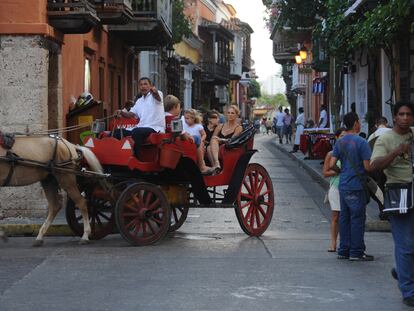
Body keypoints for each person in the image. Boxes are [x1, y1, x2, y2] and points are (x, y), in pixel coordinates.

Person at [370, 101, 414, 307]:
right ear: (394, 117)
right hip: (399, 192)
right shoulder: (385, 138)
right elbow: (374, 165)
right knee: (405, 244)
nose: (405, 118)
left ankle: (401, 270)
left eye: (409, 115)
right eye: (401, 114)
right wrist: (396, 152)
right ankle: (408, 290)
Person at [330, 112, 374, 261]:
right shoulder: (362, 142)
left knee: (344, 217)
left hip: (343, 184)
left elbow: (331, 164)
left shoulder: (340, 142)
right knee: (357, 218)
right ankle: (356, 251)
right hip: (356, 185)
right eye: (359, 121)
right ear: (355, 123)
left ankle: (344, 250)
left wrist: (342, 171)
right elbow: (367, 167)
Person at [116, 77, 165, 158]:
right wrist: (121, 112)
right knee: (117, 132)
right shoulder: (139, 101)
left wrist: (155, 92)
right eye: (141, 85)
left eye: (145, 84)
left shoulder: (157, 94)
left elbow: (158, 97)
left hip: (155, 128)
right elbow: (130, 114)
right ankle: (119, 156)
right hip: (141, 128)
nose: (143, 86)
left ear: (151, 86)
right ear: (139, 87)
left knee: (136, 132)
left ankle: (137, 157)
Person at [323, 127, 346, 252]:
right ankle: (333, 242)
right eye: (341, 136)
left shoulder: (351, 152)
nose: (343, 138)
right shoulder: (331, 154)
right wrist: (340, 172)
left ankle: (346, 242)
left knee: (347, 216)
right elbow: (325, 173)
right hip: (336, 186)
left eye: (345, 136)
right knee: (336, 216)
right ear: (337, 137)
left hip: (349, 187)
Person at [207, 105, 243, 171]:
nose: (230, 115)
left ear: (236, 115)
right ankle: (216, 166)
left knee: (211, 145)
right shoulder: (220, 126)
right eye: (228, 113)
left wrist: (221, 140)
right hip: (216, 147)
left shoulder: (238, 127)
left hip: (228, 148)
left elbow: (232, 140)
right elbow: (212, 139)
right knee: (209, 147)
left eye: (232, 113)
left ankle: (216, 165)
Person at [181, 109, 214, 175]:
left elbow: (204, 134)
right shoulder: (184, 126)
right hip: (189, 143)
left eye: (187, 118)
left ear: (193, 118)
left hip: (197, 143)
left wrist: (201, 140)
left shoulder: (198, 126)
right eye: (185, 118)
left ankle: (202, 164)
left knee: (200, 145)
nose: (185, 120)